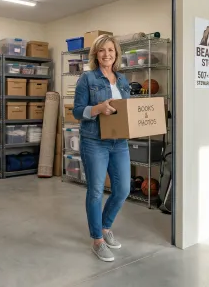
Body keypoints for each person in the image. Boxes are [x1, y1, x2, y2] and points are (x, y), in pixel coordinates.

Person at [73, 34, 131, 262]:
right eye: (102, 50)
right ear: (95, 54)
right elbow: (77, 112)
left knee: (123, 189)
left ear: (116, 54)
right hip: (94, 141)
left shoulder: (123, 81)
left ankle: (106, 227)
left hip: (120, 142)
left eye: (111, 50)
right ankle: (97, 239)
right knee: (96, 190)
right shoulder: (87, 79)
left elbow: (126, 111)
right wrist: (97, 108)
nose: (107, 54)